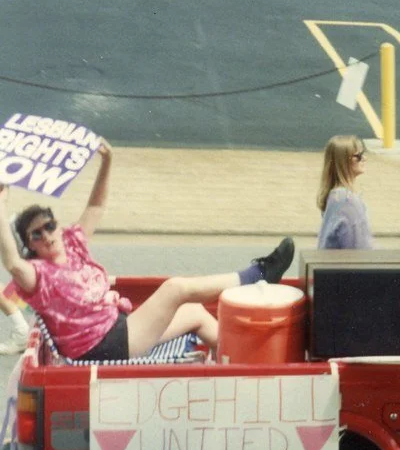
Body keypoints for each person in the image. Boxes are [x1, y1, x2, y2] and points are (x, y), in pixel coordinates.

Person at [0, 142, 295, 361]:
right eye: (35, 234)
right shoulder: (38, 276)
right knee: (175, 289)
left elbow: (96, 206)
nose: (46, 236)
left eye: (48, 226)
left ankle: (239, 369)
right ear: (31, 245)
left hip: (118, 327)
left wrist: (107, 161)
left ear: (57, 225)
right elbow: (12, 262)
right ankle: (259, 274)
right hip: (101, 346)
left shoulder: (73, 244)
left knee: (196, 314)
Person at [317, 135, 374, 250]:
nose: (364, 158)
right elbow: (359, 249)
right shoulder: (347, 202)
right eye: (358, 156)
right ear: (343, 162)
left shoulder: (335, 197)